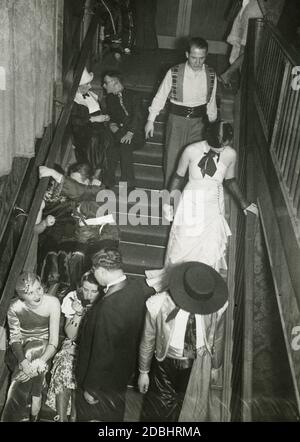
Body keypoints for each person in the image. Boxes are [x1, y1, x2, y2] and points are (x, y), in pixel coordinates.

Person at [146, 121, 258, 292]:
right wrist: (168, 202)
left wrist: (244, 203)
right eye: (219, 145)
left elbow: (230, 180)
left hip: (213, 204)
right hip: (191, 200)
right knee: (183, 243)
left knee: (210, 246)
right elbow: (177, 176)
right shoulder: (191, 150)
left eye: (224, 145)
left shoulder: (231, 154)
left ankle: (201, 287)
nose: (221, 150)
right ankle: (177, 286)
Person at [138, 261, 228, 421]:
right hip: (165, 362)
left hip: (198, 362)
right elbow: (147, 340)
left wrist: (216, 366)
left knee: (191, 410)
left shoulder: (217, 307)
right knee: (158, 410)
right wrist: (143, 372)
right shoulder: (157, 304)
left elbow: (217, 337)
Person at [75, 248, 151, 421]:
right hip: (121, 373)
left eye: (95, 272)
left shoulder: (109, 308)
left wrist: (91, 387)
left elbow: (103, 351)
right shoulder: (136, 287)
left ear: (102, 271)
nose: (95, 276)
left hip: (102, 382)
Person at [145, 37, 217, 187]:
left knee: (197, 160)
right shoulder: (174, 72)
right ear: (186, 54)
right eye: (193, 58)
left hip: (200, 123)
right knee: (173, 160)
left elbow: (211, 102)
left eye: (201, 58)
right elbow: (160, 96)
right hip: (177, 121)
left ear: (206, 56)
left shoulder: (211, 74)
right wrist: (150, 120)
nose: (197, 62)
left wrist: (213, 125)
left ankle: (189, 198)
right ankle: (169, 200)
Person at [1, 272, 60, 422]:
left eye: (39, 288)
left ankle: (16, 415)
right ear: (21, 296)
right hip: (19, 353)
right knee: (33, 349)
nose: (37, 295)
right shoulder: (14, 307)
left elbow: (53, 341)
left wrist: (36, 365)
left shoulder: (53, 302)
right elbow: (14, 339)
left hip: (46, 351)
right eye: (30, 292)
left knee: (38, 346)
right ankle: (35, 402)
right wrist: (24, 362)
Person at [46, 271, 101, 422]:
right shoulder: (72, 298)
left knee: (84, 368)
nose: (88, 294)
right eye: (85, 289)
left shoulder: (105, 303)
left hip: (95, 348)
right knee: (66, 364)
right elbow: (70, 335)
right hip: (73, 345)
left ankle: (75, 418)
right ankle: (62, 418)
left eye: (93, 291)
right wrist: (78, 314)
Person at [70, 67, 115, 187]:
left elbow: (102, 110)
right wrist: (93, 119)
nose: (90, 86)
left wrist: (105, 117)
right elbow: (74, 120)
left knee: (107, 138)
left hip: (99, 127)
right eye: (86, 84)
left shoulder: (92, 95)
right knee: (96, 139)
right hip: (84, 130)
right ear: (78, 86)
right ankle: (96, 173)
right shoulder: (74, 99)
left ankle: (103, 176)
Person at [103, 70, 144, 191]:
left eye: (106, 83)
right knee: (112, 145)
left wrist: (130, 133)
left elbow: (138, 116)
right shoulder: (110, 98)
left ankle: (128, 184)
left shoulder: (134, 95)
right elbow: (111, 115)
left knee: (125, 145)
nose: (103, 86)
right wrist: (112, 124)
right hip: (120, 131)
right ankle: (108, 181)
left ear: (115, 83)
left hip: (135, 133)